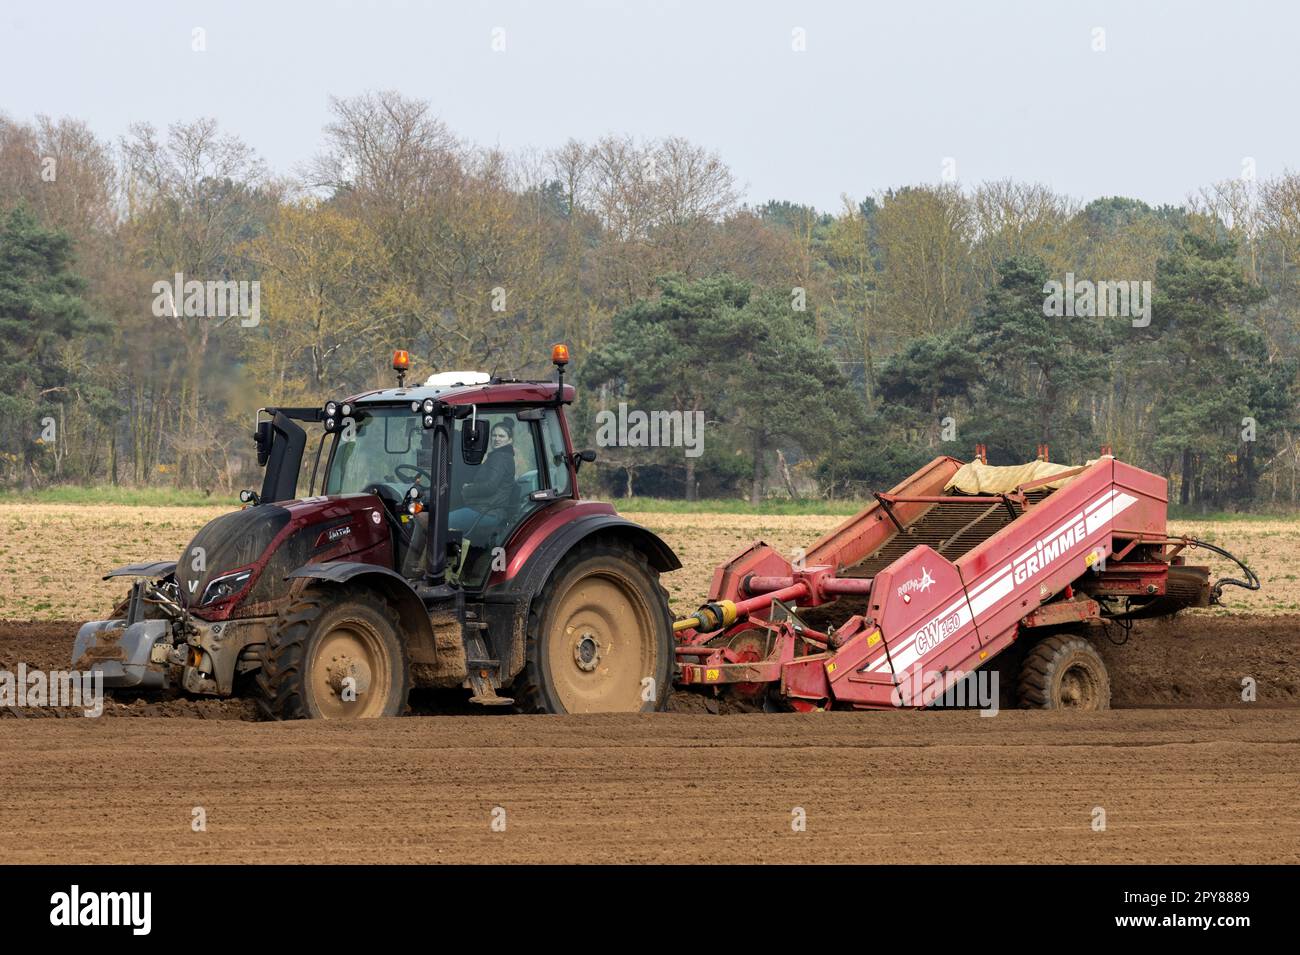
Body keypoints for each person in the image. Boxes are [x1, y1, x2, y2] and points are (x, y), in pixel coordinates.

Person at [449, 419, 517, 535]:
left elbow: (490, 486)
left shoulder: (500, 457)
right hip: (489, 509)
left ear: (510, 440)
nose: (496, 439)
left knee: (443, 521)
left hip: (488, 511)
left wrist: (467, 489)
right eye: (494, 435)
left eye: (501, 436)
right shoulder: (504, 457)